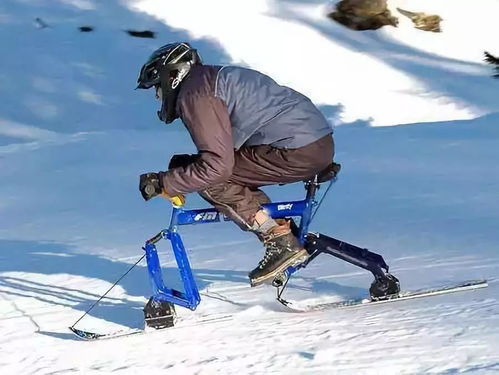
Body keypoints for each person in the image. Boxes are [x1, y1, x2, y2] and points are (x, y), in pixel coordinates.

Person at [137, 42, 335, 287]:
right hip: (313, 142)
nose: (158, 96)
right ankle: (281, 231)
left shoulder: (197, 94)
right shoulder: (211, 79)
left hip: (297, 149)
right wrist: (176, 176)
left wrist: (163, 182)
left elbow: (217, 166)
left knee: (211, 177)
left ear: (172, 76)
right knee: (189, 167)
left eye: (157, 88)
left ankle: (279, 239)